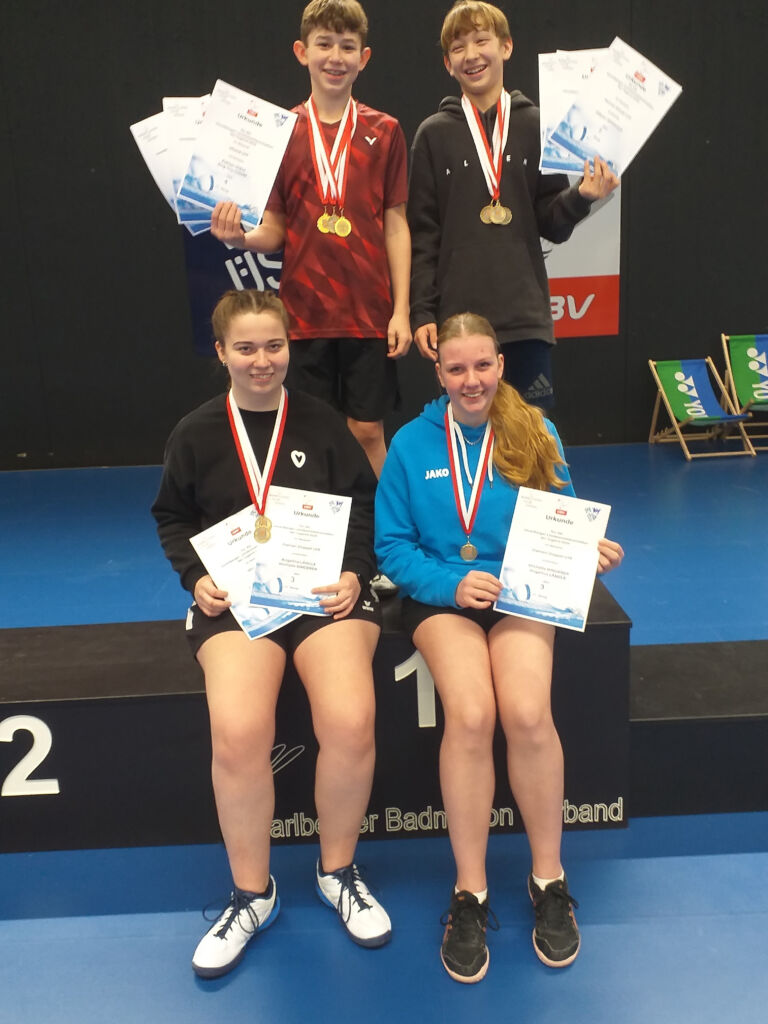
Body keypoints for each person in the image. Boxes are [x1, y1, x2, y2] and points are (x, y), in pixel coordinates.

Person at [374, 311, 623, 983]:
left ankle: (549, 880)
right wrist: (451, 584)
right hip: (443, 599)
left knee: (527, 713)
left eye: (482, 365)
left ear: (501, 365)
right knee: (472, 714)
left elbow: (563, 514)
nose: (471, 380)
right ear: (438, 372)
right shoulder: (410, 444)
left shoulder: (534, 428)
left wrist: (587, 550)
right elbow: (391, 546)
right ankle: (470, 892)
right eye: (456, 368)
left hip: (521, 595)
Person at [152, 288, 391, 979]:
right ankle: (252, 894)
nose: (262, 361)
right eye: (246, 348)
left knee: (350, 718)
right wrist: (195, 577)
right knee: (238, 731)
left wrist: (354, 571)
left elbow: (363, 505)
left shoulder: (321, 421)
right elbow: (172, 517)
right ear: (221, 352)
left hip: (321, 596)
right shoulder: (195, 432)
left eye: (275, 346)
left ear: (291, 346)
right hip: (235, 601)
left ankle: (337, 872)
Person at [210, 0, 411, 481]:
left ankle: (380, 525)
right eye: (324, 45)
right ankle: (315, 525)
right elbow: (276, 229)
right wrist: (241, 237)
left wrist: (401, 310)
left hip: (369, 313)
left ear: (364, 57)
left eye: (347, 47)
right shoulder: (281, 133)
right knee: (308, 432)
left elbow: (396, 225)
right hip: (303, 314)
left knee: (367, 431)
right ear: (302, 52)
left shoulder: (385, 131)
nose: (335, 57)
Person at [407, 1, 619, 409]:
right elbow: (423, 236)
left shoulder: (538, 124)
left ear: (506, 46)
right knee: (467, 437)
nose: (471, 55)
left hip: (525, 320)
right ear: (447, 64)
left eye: (481, 41)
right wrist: (422, 312)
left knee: (533, 437)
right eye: (458, 48)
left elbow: (552, 224)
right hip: (459, 325)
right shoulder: (432, 135)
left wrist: (581, 196)